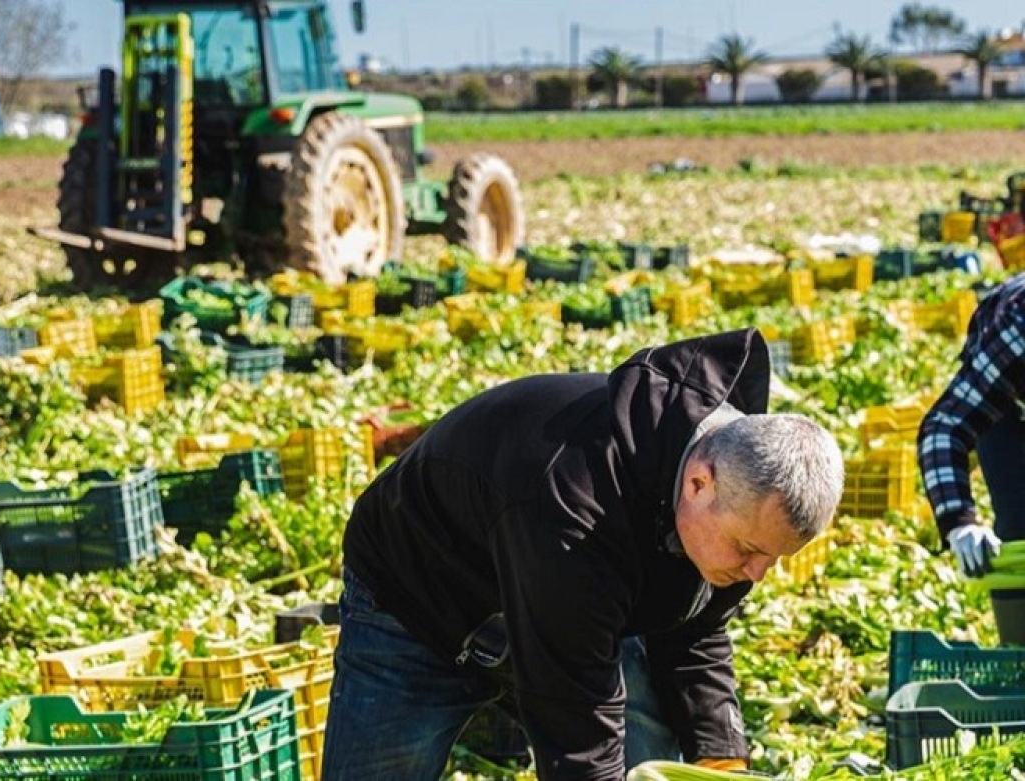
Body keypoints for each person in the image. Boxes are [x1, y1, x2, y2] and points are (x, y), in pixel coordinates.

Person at [322, 328, 845, 779]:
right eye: (750, 551)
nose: (757, 573)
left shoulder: (726, 484)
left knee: (646, 746)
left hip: (560, 601)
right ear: (699, 483)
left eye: (772, 558)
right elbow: (575, 725)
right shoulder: (573, 502)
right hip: (418, 602)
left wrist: (718, 755)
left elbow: (696, 623)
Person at [918, 271, 1025, 646]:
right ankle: (1020, 653)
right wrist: (959, 522)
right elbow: (946, 426)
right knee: (1019, 520)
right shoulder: (1016, 329)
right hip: (1012, 405)